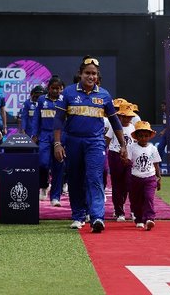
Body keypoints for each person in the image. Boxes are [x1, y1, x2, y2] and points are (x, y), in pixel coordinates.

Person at [53, 56, 127, 233]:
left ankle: (97, 217)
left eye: (94, 74)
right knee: (75, 178)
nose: (91, 76)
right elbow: (58, 120)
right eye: (87, 73)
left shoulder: (104, 95)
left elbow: (115, 122)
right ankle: (78, 216)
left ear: (97, 76)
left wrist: (123, 145)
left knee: (94, 178)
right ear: (80, 74)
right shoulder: (68, 93)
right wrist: (57, 143)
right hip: (73, 141)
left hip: (95, 143)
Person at [32, 76, 65, 206]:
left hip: (60, 137)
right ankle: (44, 185)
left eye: (58, 88)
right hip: (45, 136)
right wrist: (35, 134)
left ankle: (55, 197)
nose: (55, 91)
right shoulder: (41, 100)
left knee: (58, 167)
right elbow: (36, 118)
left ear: (61, 89)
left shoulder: (64, 100)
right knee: (42, 163)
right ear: (48, 88)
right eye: (53, 88)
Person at [126, 121, 162, 230]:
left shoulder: (153, 148)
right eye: (141, 136)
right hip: (135, 178)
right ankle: (139, 219)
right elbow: (128, 162)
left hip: (150, 178)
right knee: (136, 200)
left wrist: (159, 178)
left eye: (146, 136)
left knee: (149, 197)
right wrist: (124, 159)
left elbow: (156, 163)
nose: (143, 138)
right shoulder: (131, 147)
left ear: (150, 136)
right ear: (136, 137)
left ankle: (150, 218)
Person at [106, 103, 137, 222]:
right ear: (120, 116)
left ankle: (133, 210)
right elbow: (107, 140)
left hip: (129, 158)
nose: (128, 119)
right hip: (115, 155)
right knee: (117, 184)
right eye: (125, 116)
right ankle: (119, 212)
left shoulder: (134, 128)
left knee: (129, 184)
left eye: (130, 116)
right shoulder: (114, 126)